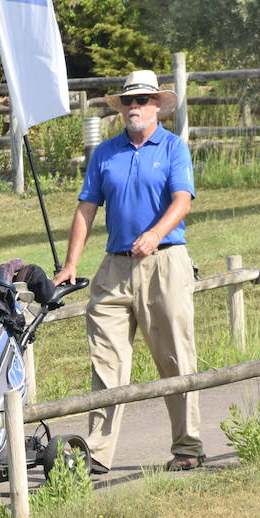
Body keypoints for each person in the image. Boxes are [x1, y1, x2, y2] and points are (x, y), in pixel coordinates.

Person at [52, 69, 204, 474]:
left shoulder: (173, 148)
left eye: (142, 101)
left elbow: (183, 201)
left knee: (175, 355)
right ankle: (97, 453)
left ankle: (187, 445)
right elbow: (86, 208)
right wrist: (71, 265)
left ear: (158, 107)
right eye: (128, 101)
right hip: (115, 265)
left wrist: (155, 234)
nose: (134, 107)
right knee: (105, 363)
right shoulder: (105, 153)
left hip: (165, 262)